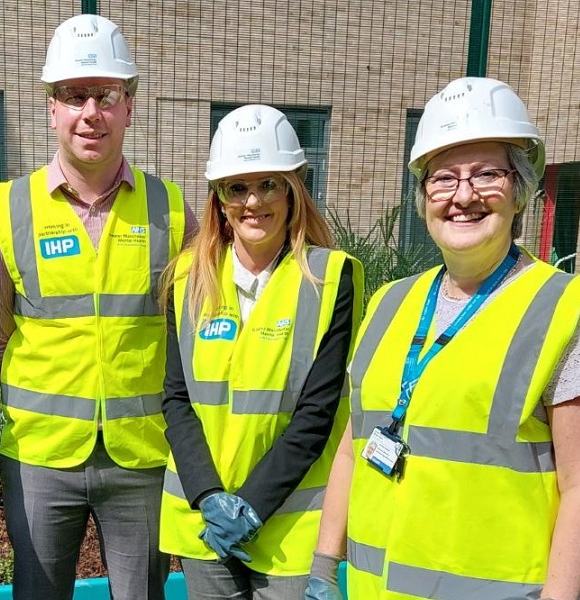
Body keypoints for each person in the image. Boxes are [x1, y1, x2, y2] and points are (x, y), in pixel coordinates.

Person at [306, 77, 580, 600]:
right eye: (443, 179)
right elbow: (355, 449)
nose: (463, 196)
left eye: (487, 174)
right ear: (423, 197)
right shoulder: (390, 302)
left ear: (520, 189)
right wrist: (324, 568)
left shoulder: (564, 310)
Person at [0, 13, 197, 600]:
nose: (90, 112)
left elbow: (191, 333)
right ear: (52, 108)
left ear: (130, 106)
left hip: (141, 458)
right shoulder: (7, 213)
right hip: (41, 458)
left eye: (106, 95)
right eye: (74, 96)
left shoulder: (172, 212)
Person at [158, 104, 363, 599]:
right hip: (204, 523)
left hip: (291, 526)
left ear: (293, 190)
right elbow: (175, 398)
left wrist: (249, 506)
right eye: (237, 187)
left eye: (269, 184)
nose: (254, 201)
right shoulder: (186, 279)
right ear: (218, 199)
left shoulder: (330, 278)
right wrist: (210, 498)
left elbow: (317, 414)